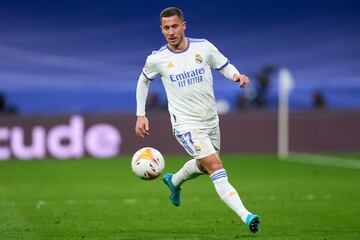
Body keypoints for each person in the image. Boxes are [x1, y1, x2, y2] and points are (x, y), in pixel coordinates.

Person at [135, 7, 260, 233]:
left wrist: (237, 75)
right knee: (215, 166)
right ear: (161, 30)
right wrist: (141, 114)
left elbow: (223, 64)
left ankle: (174, 182)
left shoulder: (203, 47)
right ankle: (246, 215)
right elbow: (143, 81)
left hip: (210, 121)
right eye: (166, 28)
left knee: (204, 166)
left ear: (184, 25)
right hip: (185, 125)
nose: (171, 32)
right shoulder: (157, 59)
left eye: (174, 26)